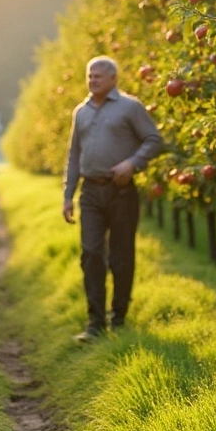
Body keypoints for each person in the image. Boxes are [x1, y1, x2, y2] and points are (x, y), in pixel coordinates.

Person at [62, 56, 163, 342]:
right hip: (91, 192)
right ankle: (95, 323)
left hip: (121, 191)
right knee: (91, 253)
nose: (92, 80)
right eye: (89, 75)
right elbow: (73, 156)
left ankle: (118, 318)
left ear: (113, 79)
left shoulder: (130, 107)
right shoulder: (80, 112)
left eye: (97, 76)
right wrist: (68, 195)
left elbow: (154, 139)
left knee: (121, 257)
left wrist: (132, 163)